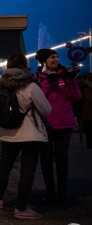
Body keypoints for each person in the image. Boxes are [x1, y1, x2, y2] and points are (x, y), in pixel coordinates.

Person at [0, 54, 51, 219]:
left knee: (4, 167)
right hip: (30, 134)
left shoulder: (1, 86)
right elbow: (46, 109)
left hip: (8, 133)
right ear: (25, 66)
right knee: (27, 171)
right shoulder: (31, 86)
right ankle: (21, 209)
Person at [35, 48, 82, 206]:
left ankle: (62, 194)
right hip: (47, 124)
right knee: (46, 160)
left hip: (65, 124)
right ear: (44, 61)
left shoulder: (64, 74)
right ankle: (49, 194)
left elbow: (76, 96)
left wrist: (72, 80)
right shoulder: (38, 77)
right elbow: (40, 98)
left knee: (62, 159)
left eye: (57, 56)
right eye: (52, 57)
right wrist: (49, 82)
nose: (56, 59)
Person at [82, 73, 92, 149]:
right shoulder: (87, 88)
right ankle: (89, 142)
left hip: (88, 111)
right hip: (89, 110)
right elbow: (90, 99)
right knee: (89, 128)